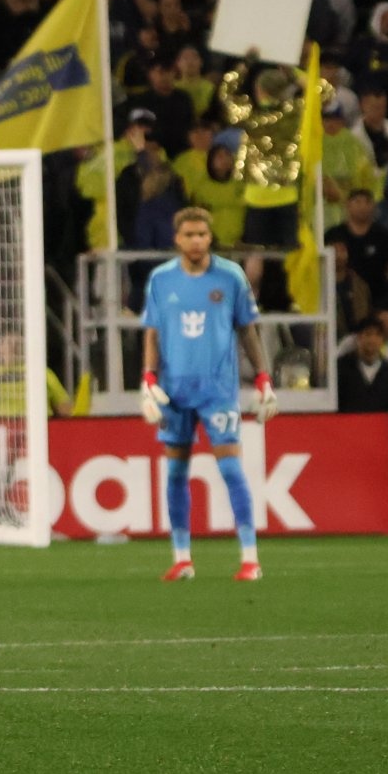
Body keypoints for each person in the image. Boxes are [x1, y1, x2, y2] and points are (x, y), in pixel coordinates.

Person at [141, 207, 276, 582]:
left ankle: (251, 559)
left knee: (231, 468)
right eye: (189, 235)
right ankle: (182, 558)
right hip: (173, 391)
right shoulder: (161, 279)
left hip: (217, 390)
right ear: (177, 240)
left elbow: (248, 330)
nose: (197, 240)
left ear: (210, 237)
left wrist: (263, 377)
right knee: (175, 473)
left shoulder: (230, 277)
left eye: (202, 234)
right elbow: (152, 332)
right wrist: (148, 379)